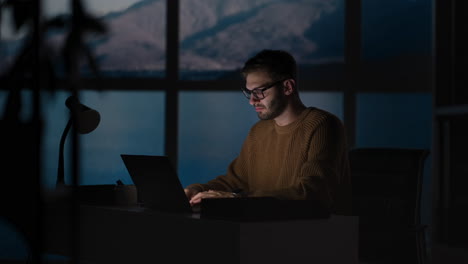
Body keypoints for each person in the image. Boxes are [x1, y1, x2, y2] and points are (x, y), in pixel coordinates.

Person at [184, 49, 351, 215]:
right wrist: (197, 190)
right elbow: (235, 181)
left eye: (258, 92)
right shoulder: (258, 131)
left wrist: (236, 198)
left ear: (287, 87)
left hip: (317, 232)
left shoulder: (322, 125)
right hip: (266, 229)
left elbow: (313, 193)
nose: (252, 101)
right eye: (249, 93)